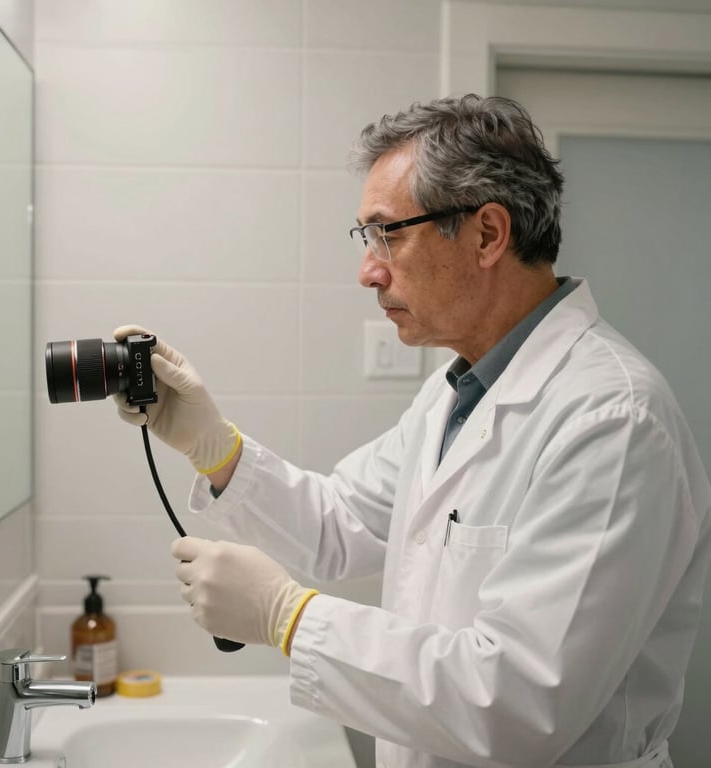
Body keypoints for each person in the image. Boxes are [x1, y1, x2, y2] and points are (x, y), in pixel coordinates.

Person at [114, 94, 711, 768]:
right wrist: (214, 447)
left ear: (488, 234)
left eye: (387, 234)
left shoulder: (614, 420)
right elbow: (340, 526)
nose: (368, 270)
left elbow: (519, 703)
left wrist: (289, 617)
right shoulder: (456, 393)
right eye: (367, 239)